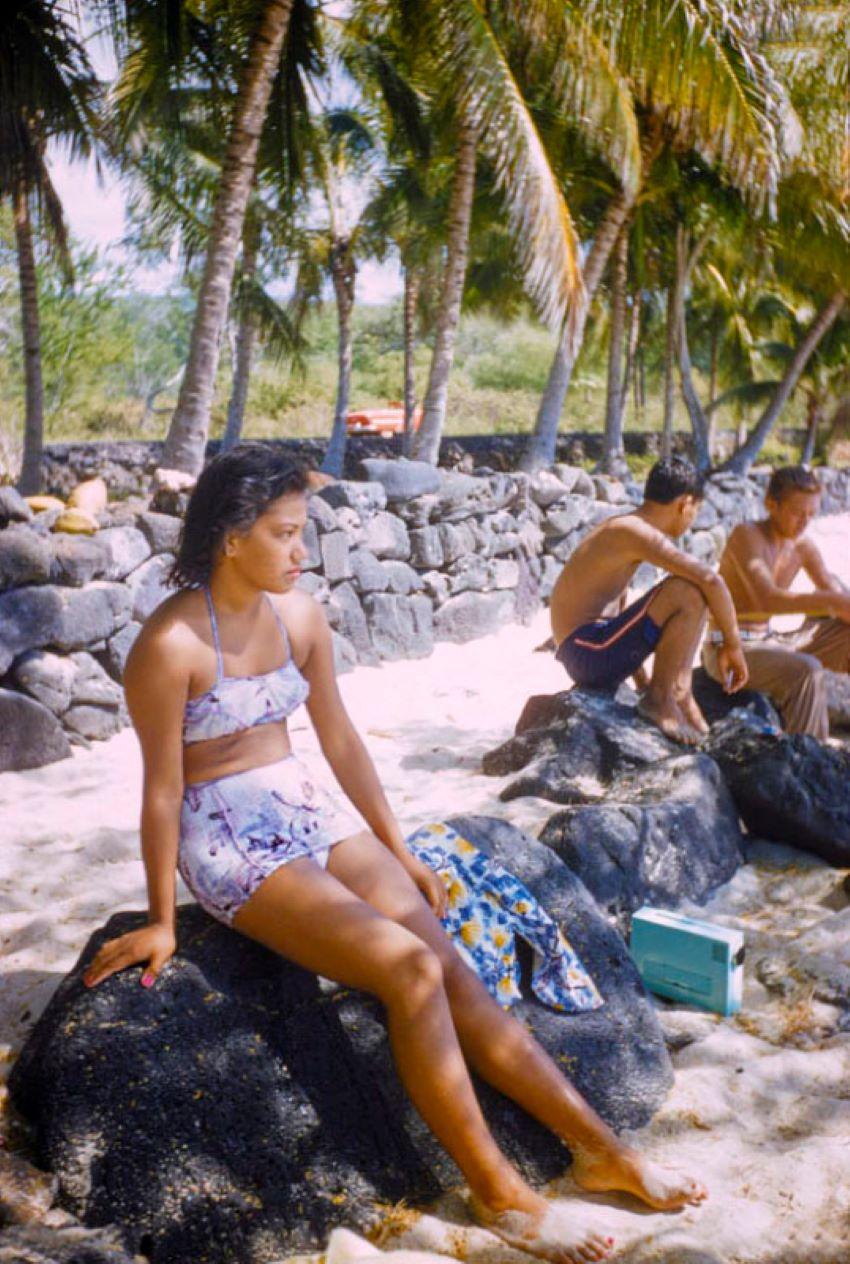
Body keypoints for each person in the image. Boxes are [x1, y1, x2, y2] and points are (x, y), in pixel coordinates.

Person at [83, 445, 707, 1264]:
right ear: (231, 537)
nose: (302, 551)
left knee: (447, 961)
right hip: (227, 834)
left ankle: (600, 1150)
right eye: (283, 534)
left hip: (305, 803)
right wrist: (165, 918)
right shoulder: (169, 645)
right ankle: (499, 1194)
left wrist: (396, 847)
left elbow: (338, 738)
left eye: (302, 532)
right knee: (406, 971)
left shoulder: (297, 615)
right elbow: (162, 789)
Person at [551, 456, 748, 743]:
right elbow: (712, 580)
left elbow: (619, 608)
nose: (693, 520)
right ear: (685, 504)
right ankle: (661, 699)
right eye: (696, 511)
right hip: (585, 648)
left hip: (591, 646)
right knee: (686, 590)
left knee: (690, 591)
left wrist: (640, 682)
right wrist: (733, 645)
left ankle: (678, 695)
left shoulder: (628, 528)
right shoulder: (633, 530)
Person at [703, 465, 850, 738]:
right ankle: (807, 763)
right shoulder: (747, 535)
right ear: (771, 504)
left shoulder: (802, 546)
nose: (805, 522)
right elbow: (765, 599)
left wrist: (838, 602)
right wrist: (831, 601)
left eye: (812, 514)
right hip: (730, 648)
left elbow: (837, 597)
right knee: (807, 670)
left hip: (772, 640)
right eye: (797, 513)